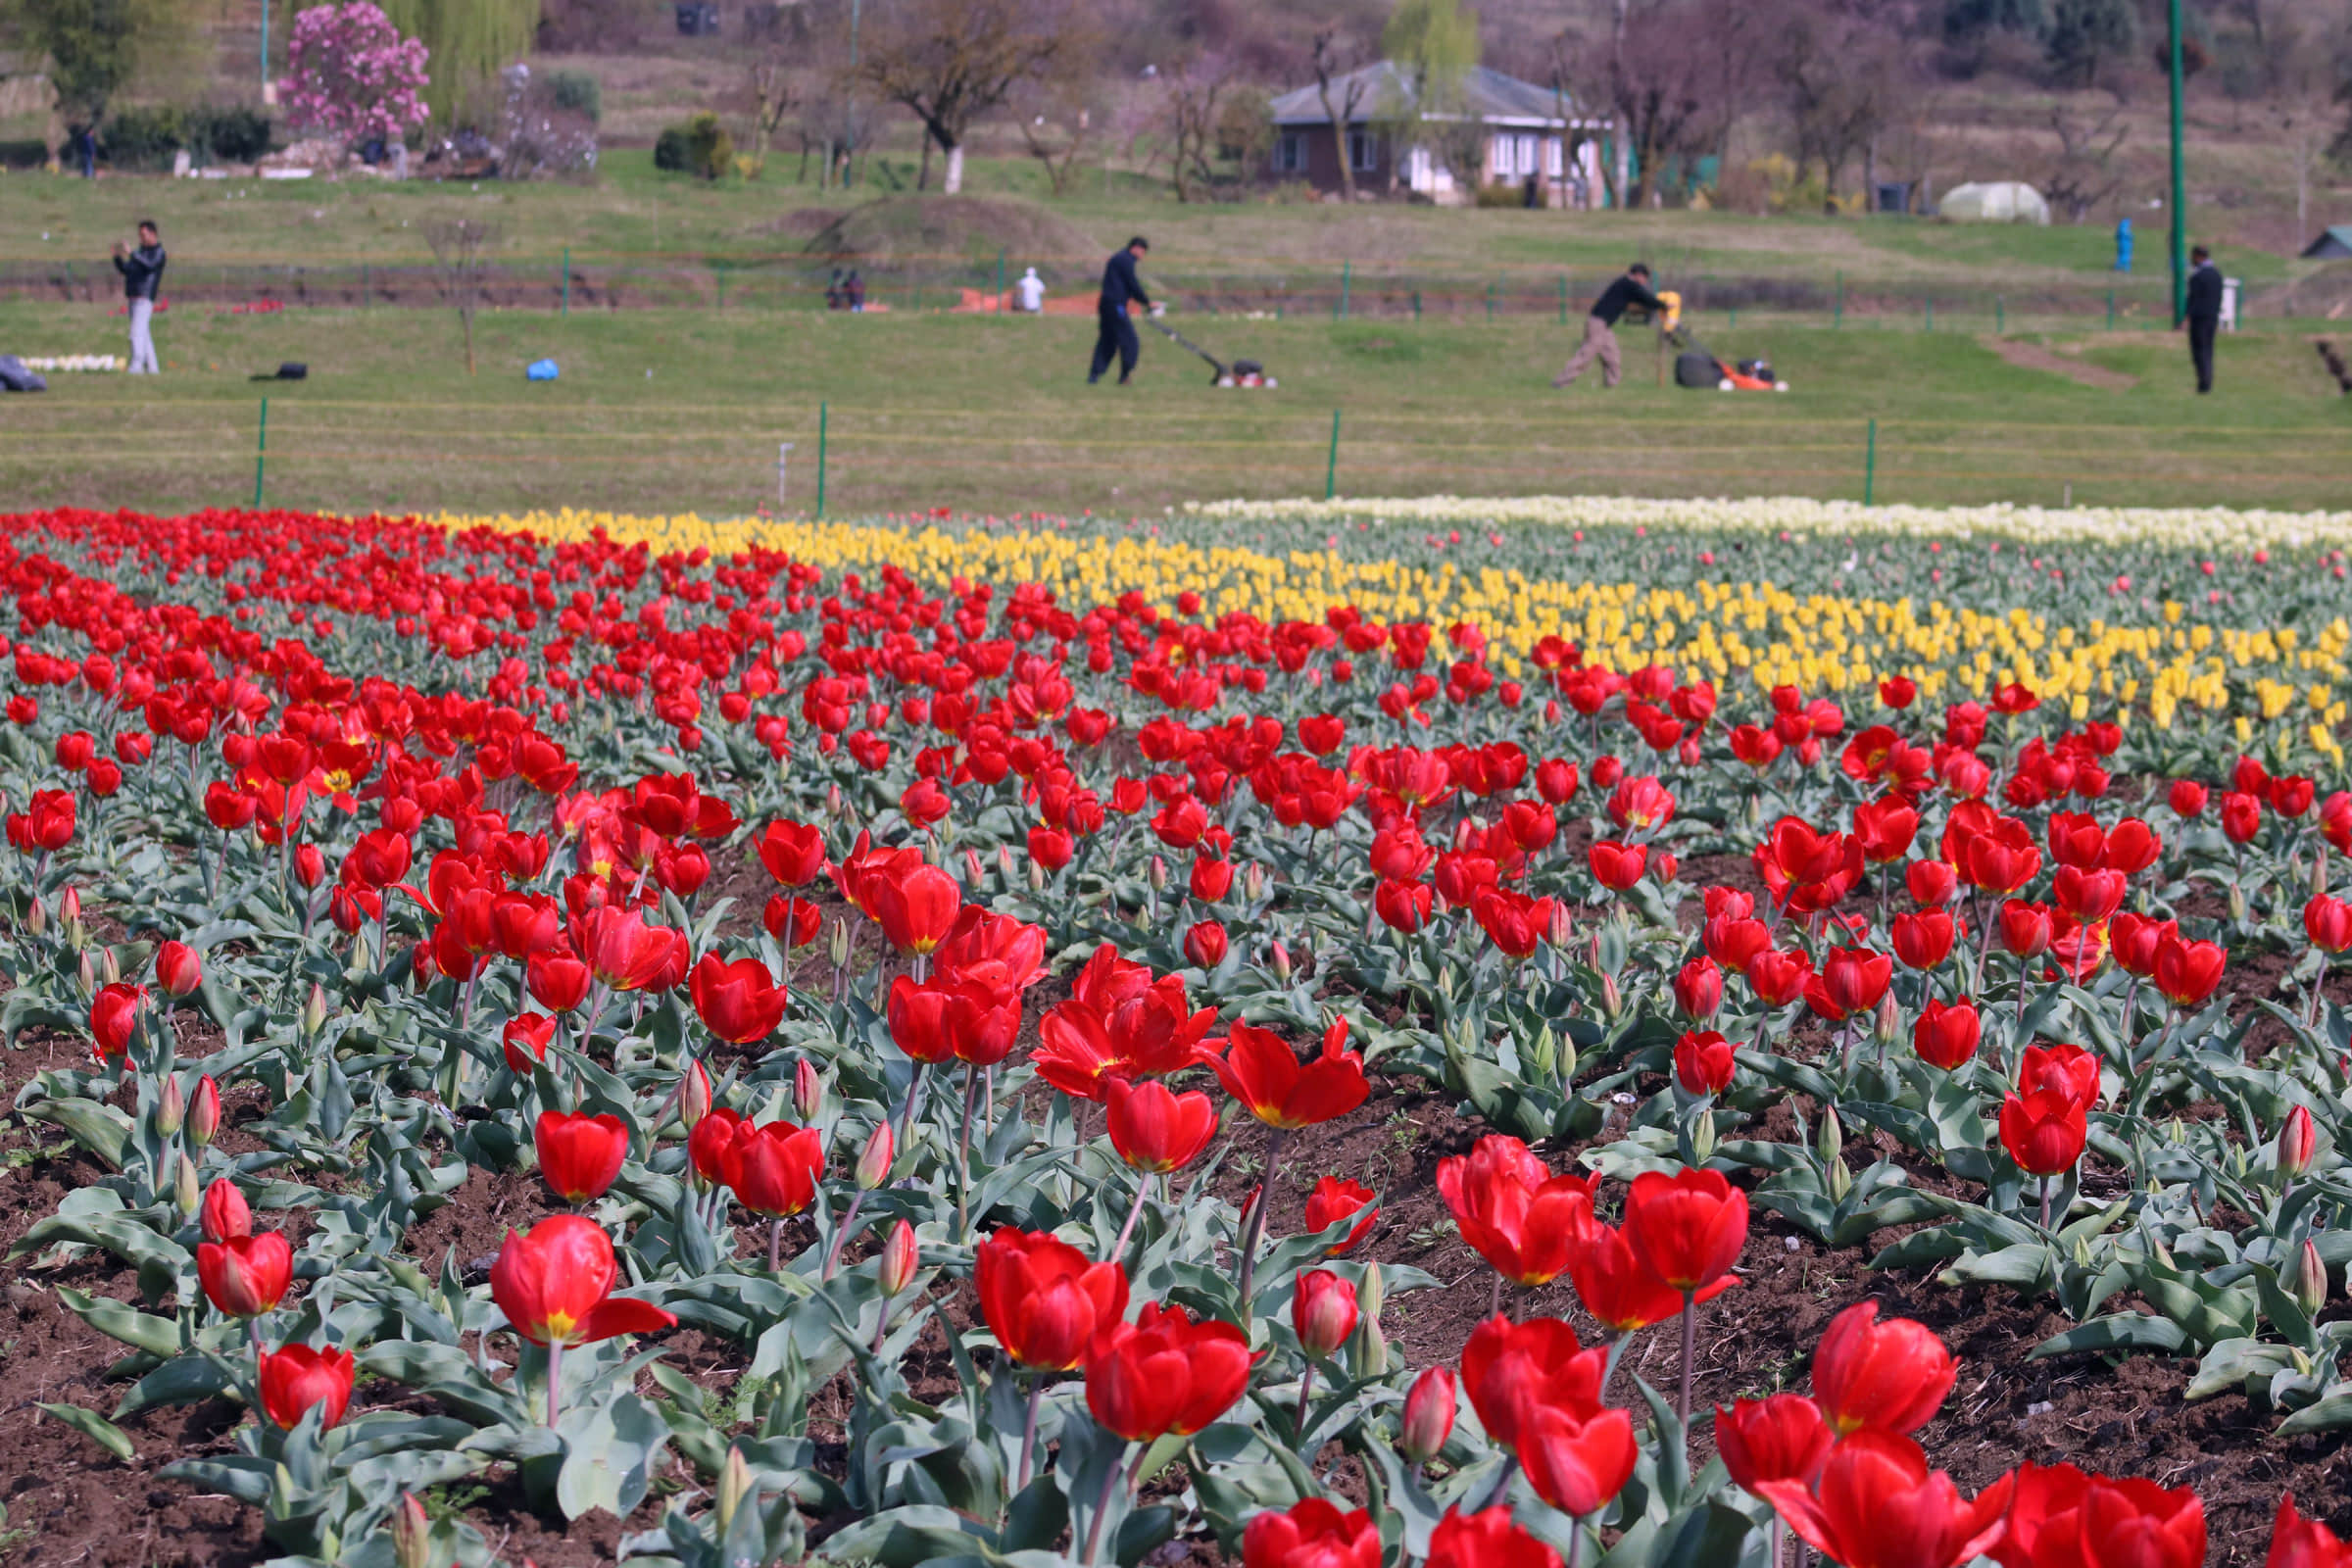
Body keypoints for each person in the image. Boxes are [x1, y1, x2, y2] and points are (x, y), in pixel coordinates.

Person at [1552, 262, 1665, 390]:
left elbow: (1641, 300)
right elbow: (1645, 298)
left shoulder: (1626, 285)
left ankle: (1612, 384)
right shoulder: (1628, 284)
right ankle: (1561, 381)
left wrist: (1656, 305)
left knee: (1612, 355)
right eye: (1645, 278)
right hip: (1597, 324)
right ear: (1638, 275)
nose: (1645, 281)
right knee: (1586, 355)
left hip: (1604, 326)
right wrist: (1663, 305)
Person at [1090, 235, 1159, 385]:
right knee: (1130, 341)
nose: (1142, 256)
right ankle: (1124, 376)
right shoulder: (1125, 260)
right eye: (1143, 252)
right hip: (1116, 306)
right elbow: (1132, 284)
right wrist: (1147, 302)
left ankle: (1094, 376)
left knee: (1107, 339)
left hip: (1106, 304)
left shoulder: (1118, 258)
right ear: (1136, 248)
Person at [113, 220, 167, 376]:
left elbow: (149, 266)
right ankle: (152, 368)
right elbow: (127, 270)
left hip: (144, 298)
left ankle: (136, 366)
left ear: (153, 234)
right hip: (133, 297)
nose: (141, 238)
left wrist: (132, 254)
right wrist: (117, 258)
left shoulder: (158, 253)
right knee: (143, 334)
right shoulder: (140, 253)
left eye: (144, 235)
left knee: (136, 333)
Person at [2182, 245, 2223, 395]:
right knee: (2208, 349)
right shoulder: (2217, 274)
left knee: (2199, 350)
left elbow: (2193, 300)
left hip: (2199, 319)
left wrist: (2187, 318)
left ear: (2199, 257)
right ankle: (2207, 381)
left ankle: (2203, 383)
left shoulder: (2197, 276)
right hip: (2212, 318)